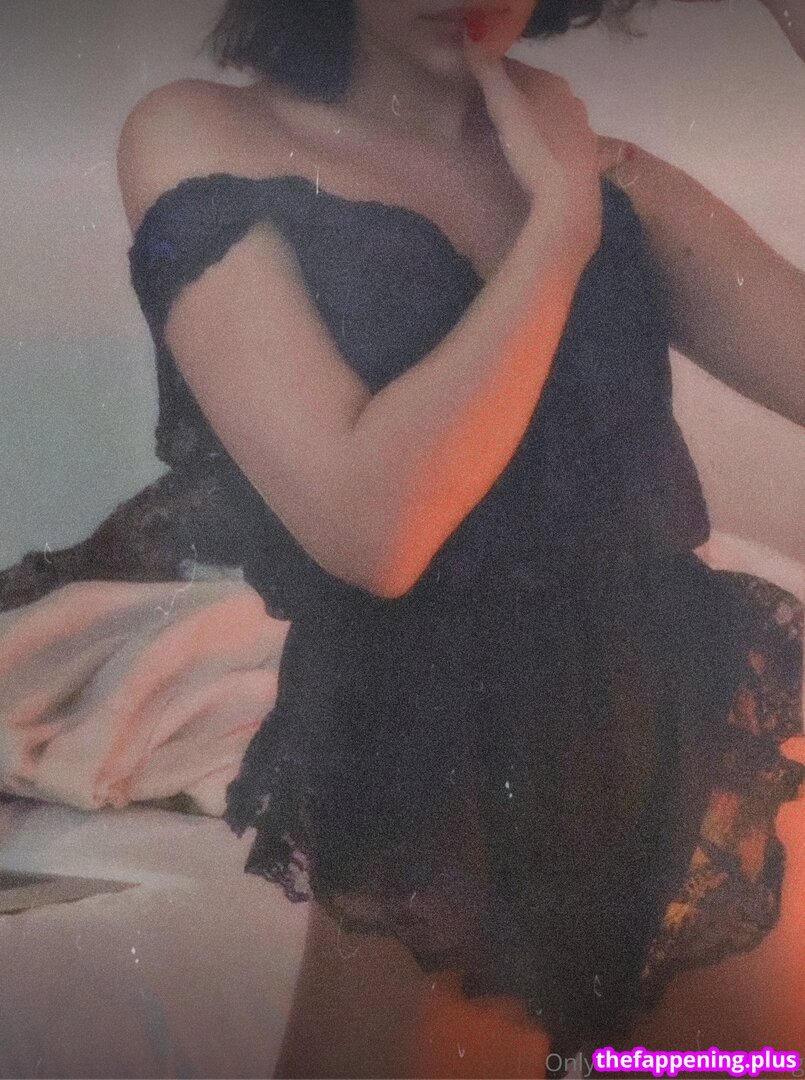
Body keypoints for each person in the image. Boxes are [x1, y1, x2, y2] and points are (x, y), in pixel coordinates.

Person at [1, 1, 804, 1076]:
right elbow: (374, 532)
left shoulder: (614, 175)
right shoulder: (203, 134)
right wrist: (556, 233)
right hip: (428, 749)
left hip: (679, 725)